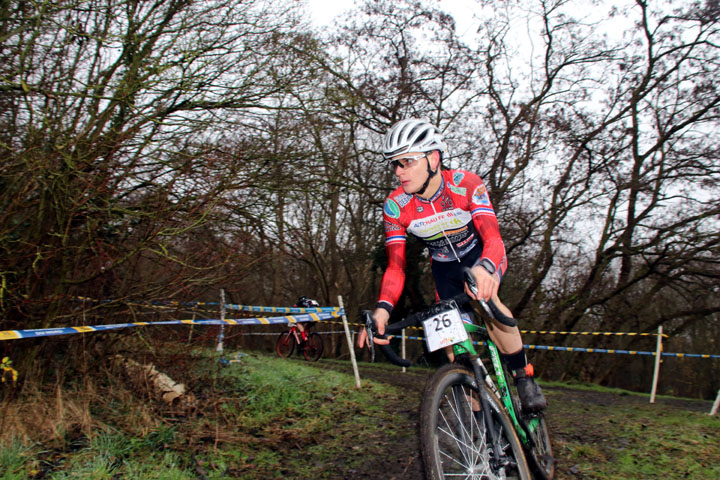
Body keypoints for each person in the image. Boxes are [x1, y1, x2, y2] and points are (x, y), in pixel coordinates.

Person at [357, 118, 547, 413]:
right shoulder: (395, 206)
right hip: (444, 270)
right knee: (451, 343)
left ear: (433, 158)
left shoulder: (465, 184)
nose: (398, 171)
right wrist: (383, 308)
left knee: (486, 302)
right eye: (395, 164)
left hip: (481, 257)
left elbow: (493, 237)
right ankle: (485, 422)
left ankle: (523, 376)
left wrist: (486, 267)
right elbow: (396, 267)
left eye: (407, 162)